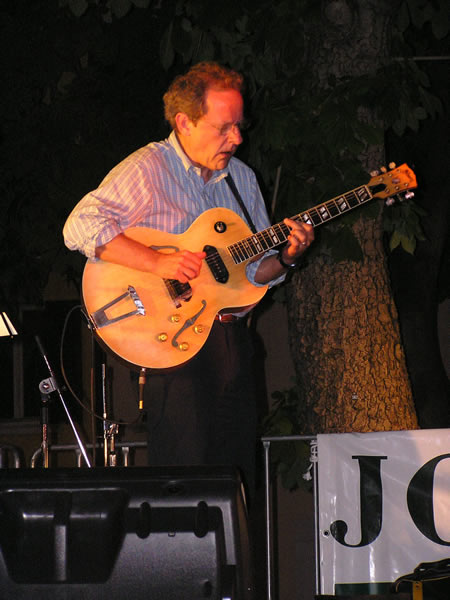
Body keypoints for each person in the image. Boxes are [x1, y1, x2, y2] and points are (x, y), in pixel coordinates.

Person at [63, 61, 314, 499]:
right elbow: (79, 226)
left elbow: (254, 273)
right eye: (224, 127)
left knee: (237, 483)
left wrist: (288, 259)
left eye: (239, 126)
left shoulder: (242, 180)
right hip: (173, 347)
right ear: (184, 122)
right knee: (184, 483)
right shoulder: (149, 169)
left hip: (233, 344)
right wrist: (157, 263)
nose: (237, 138)